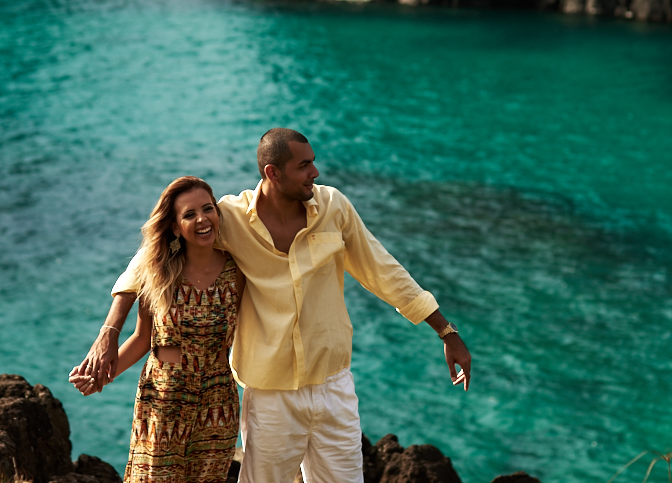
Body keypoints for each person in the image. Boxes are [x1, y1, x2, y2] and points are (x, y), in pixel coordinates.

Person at [76, 129, 471, 483]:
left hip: (334, 385)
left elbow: (384, 272)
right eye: (304, 166)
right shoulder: (229, 218)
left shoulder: (333, 208)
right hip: (269, 395)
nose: (315, 172)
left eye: (313, 162)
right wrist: (109, 333)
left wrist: (446, 331)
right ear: (273, 173)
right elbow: (148, 261)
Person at [70, 176, 245, 483]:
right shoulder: (160, 273)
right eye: (189, 214)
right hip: (164, 397)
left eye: (208, 209)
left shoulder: (237, 271)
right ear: (175, 227)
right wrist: (103, 376)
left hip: (218, 402)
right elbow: (142, 339)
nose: (202, 219)